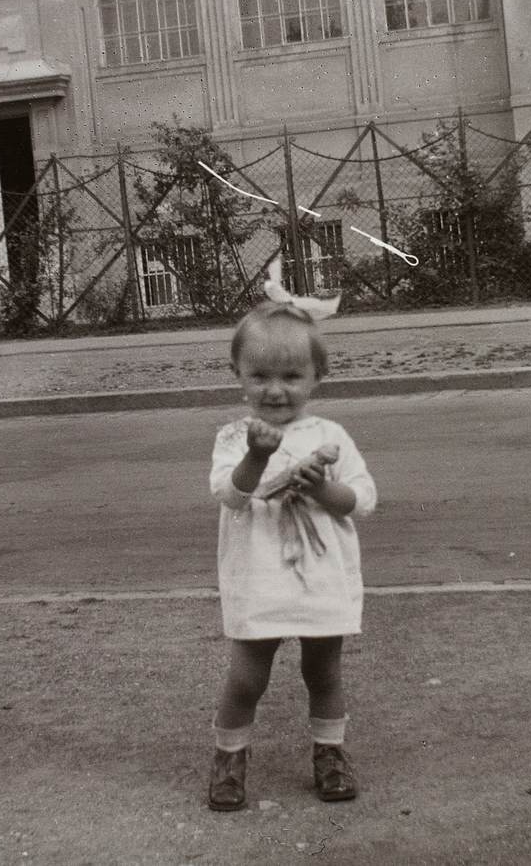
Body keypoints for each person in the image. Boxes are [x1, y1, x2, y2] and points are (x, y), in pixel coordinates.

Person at [206, 301, 377, 811]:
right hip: (258, 577)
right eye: (258, 375)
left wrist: (324, 489)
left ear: (317, 377)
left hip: (319, 577)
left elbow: (361, 500)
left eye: (291, 376)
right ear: (237, 374)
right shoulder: (234, 437)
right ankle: (229, 759)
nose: (274, 390)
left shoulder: (331, 436)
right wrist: (258, 456)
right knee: (247, 678)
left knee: (323, 673)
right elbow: (231, 495)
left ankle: (330, 755)